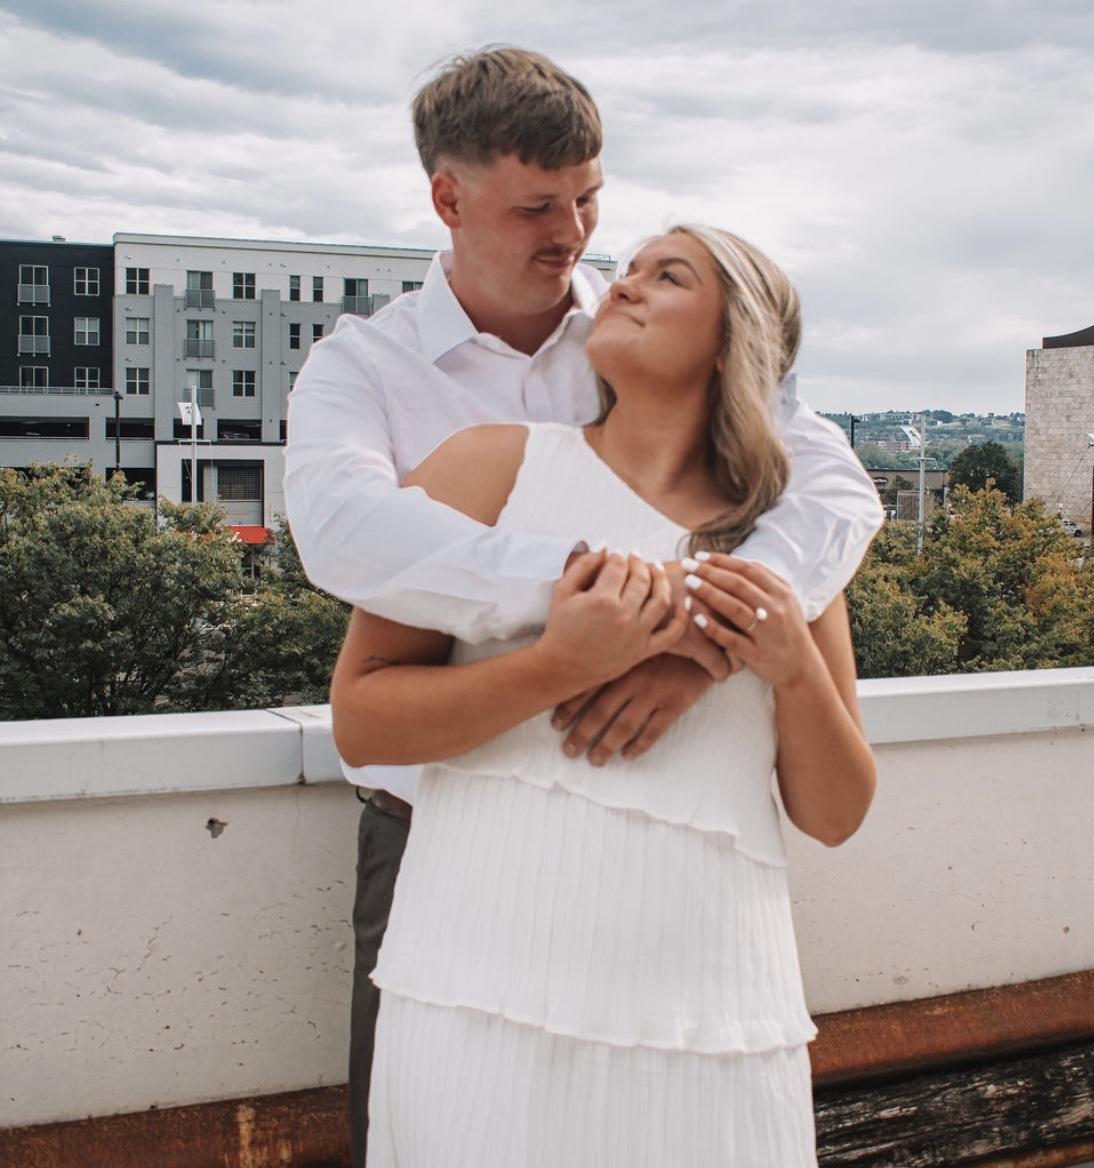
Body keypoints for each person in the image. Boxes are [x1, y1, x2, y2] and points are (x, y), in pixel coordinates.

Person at [283, 48, 883, 1166]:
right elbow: (343, 536)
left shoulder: (742, 476)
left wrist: (707, 643)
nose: (578, 240)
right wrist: (586, 612)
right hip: (444, 851)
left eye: (589, 200)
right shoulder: (374, 377)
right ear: (449, 198)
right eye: (536, 208)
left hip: (698, 949)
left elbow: (835, 491)